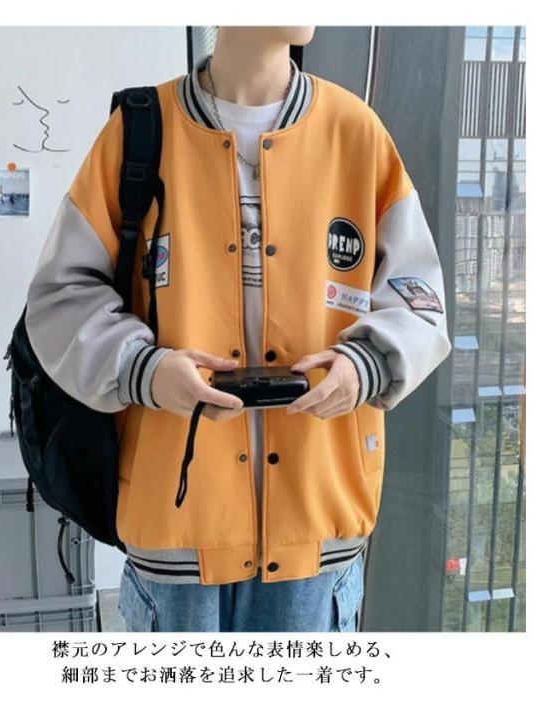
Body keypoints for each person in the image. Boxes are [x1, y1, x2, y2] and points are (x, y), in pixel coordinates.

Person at [24, 26, 452, 632]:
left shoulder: (355, 132)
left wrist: (365, 365)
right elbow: (60, 296)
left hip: (317, 521)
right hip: (178, 528)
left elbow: (419, 299)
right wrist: (146, 370)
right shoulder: (140, 129)